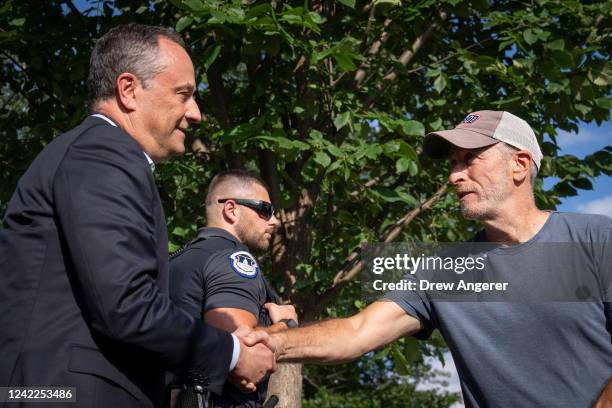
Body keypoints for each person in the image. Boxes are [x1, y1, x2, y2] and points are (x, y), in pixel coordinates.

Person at [251, 111, 612, 408]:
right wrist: (270, 342)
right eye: (453, 162)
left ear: (519, 164)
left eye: (471, 159)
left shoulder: (595, 240)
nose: (455, 175)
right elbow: (357, 333)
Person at [0, 24, 274, 408]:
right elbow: (127, 305)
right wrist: (231, 354)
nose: (196, 113)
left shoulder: (98, 155)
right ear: (128, 90)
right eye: (184, 95)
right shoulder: (103, 153)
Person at [169, 170, 298, 407]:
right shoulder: (233, 259)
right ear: (231, 210)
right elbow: (240, 350)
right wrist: (285, 325)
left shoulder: (177, 261)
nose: (274, 220)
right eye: (264, 210)